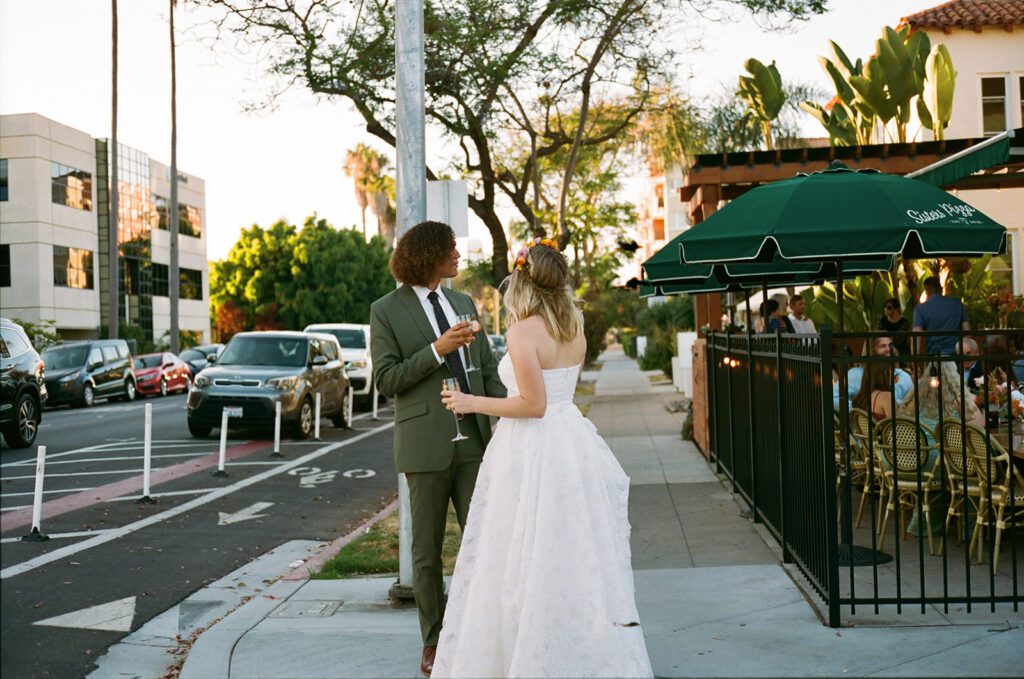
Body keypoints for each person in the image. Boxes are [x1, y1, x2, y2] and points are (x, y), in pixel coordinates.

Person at [434, 239, 653, 678]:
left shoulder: (521, 332)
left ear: (521, 283)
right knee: (570, 552)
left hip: (531, 449)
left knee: (520, 554)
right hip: (571, 443)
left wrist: (469, 402)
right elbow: (557, 397)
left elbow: (533, 405)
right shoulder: (575, 326)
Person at [369, 221, 507, 677]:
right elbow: (386, 379)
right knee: (426, 551)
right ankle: (434, 641)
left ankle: (477, 631)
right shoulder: (386, 310)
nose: (458, 256)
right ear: (428, 255)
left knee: (481, 541)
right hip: (424, 443)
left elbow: (485, 367)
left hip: (474, 439)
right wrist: (436, 349)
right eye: (450, 249)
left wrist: (502, 422)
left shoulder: (464, 302)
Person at [834, 336, 913, 410]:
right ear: (871, 350)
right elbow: (834, 397)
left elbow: (913, 403)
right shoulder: (855, 374)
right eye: (882, 346)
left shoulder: (903, 376)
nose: (888, 349)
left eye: (890, 345)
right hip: (866, 422)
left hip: (899, 421)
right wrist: (857, 410)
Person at [912, 277, 969, 356]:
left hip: (934, 356)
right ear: (941, 289)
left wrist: (915, 360)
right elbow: (967, 331)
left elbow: (916, 336)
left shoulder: (920, 309)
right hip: (956, 355)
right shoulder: (957, 304)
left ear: (926, 291)